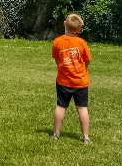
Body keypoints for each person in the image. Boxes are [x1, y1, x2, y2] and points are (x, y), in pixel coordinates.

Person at [51, 13, 92, 144]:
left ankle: (56, 134)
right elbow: (87, 61)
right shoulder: (82, 43)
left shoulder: (57, 42)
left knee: (61, 106)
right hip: (81, 82)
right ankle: (85, 137)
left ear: (64, 24)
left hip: (63, 81)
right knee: (82, 108)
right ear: (79, 30)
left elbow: (57, 60)